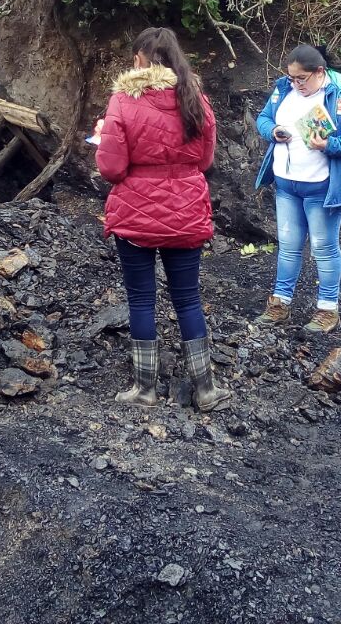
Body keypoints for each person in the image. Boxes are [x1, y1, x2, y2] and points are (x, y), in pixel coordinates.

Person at [94, 27, 232, 412]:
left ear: (140, 58)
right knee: (188, 299)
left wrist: (105, 138)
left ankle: (144, 389)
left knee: (141, 300)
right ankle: (206, 390)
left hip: (136, 214)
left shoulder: (123, 101)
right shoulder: (196, 99)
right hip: (186, 212)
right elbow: (204, 162)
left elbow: (112, 168)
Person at [253, 45, 341, 332]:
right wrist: (273, 131)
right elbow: (263, 118)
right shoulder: (283, 89)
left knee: (323, 247)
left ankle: (327, 310)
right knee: (288, 245)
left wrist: (331, 145)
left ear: (319, 72)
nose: (296, 84)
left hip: (323, 187)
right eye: (292, 78)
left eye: (301, 79)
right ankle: (280, 304)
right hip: (286, 184)